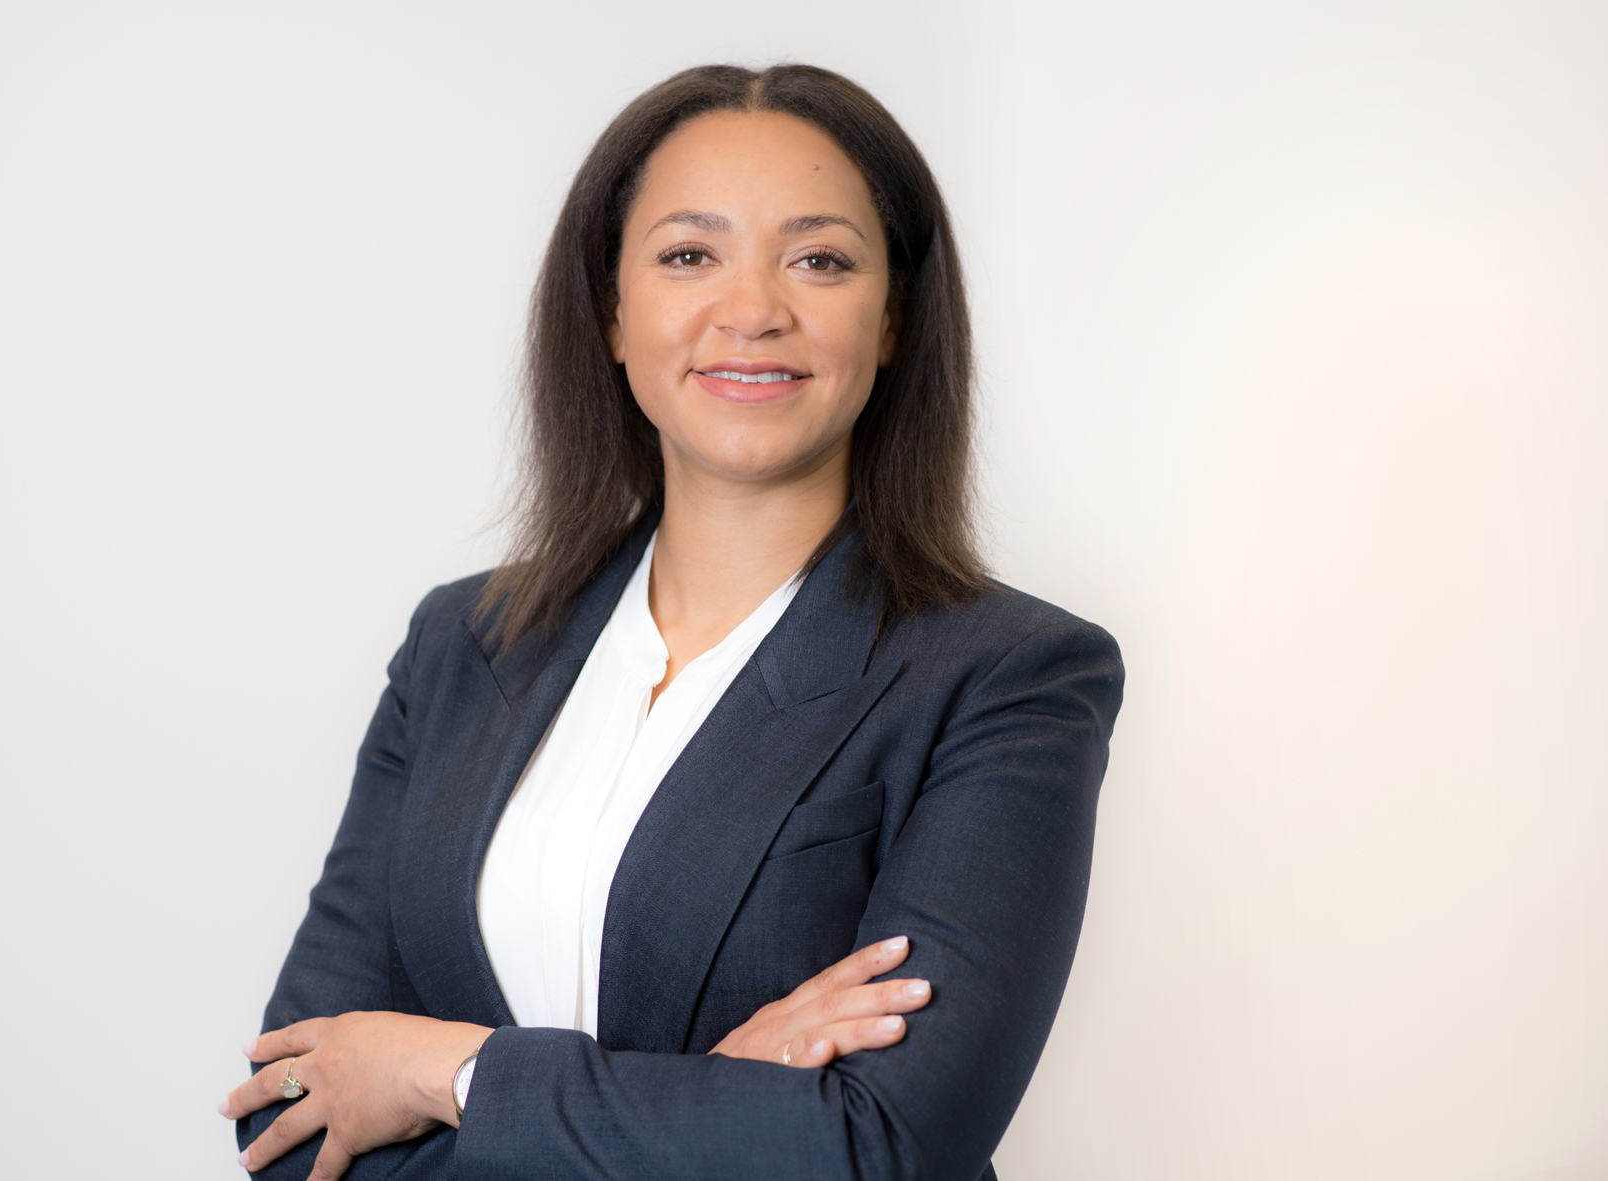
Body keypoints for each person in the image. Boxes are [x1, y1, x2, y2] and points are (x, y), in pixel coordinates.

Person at [221, 63, 1123, 1181]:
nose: (753, 310)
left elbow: (876, 1147)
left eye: (819, 259)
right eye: (690, 255)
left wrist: (449, 1072)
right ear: (611, 310)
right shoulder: (460, 643)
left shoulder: (1009, 676)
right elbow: (291, 1116)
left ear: (892, 317)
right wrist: (719, 1092)